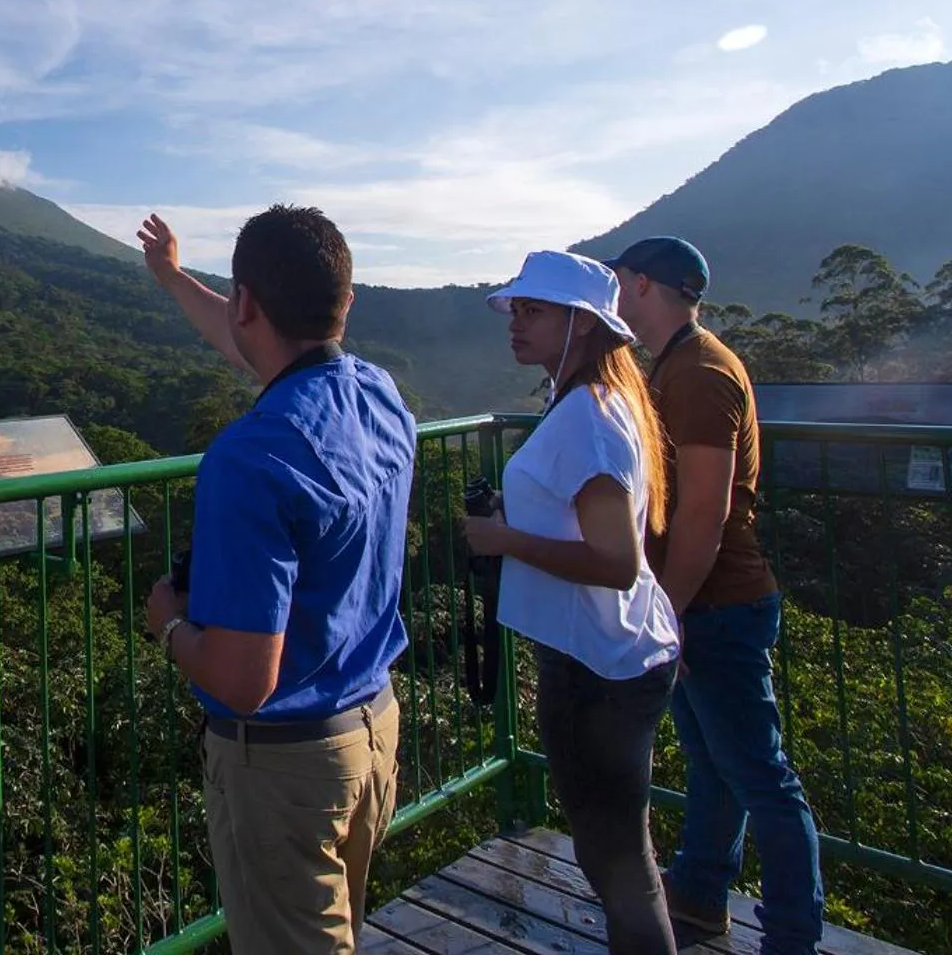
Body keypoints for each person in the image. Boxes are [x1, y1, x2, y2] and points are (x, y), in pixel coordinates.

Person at [137, 207, 415, 955]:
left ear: (248, 301)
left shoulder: (249, 459)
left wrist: (167, 621)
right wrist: (170, 277)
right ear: (345, 303)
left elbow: (240, 680)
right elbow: (256, 348)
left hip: (285, 767)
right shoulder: (381, 398)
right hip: (371, 729)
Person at [460, 250, 681, 955]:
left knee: (619, 862)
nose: (516, 325)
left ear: (583, 325)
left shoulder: (587, 414)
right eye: (517, 310)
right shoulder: (596, 400)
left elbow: (617, 562)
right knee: (609, 849)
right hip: (604, 657)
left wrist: (504, 539)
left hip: (602, 669)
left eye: (535, 311)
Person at [608, 237, 824, 954]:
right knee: (716, 761)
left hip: (715, 604)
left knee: (762, 776)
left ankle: (793, 933)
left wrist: (663, 618)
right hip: (702, 600)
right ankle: (700, 894)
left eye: (617, 283)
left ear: (641, 285)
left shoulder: (698, 375)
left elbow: (705, 514)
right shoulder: (678, 364)